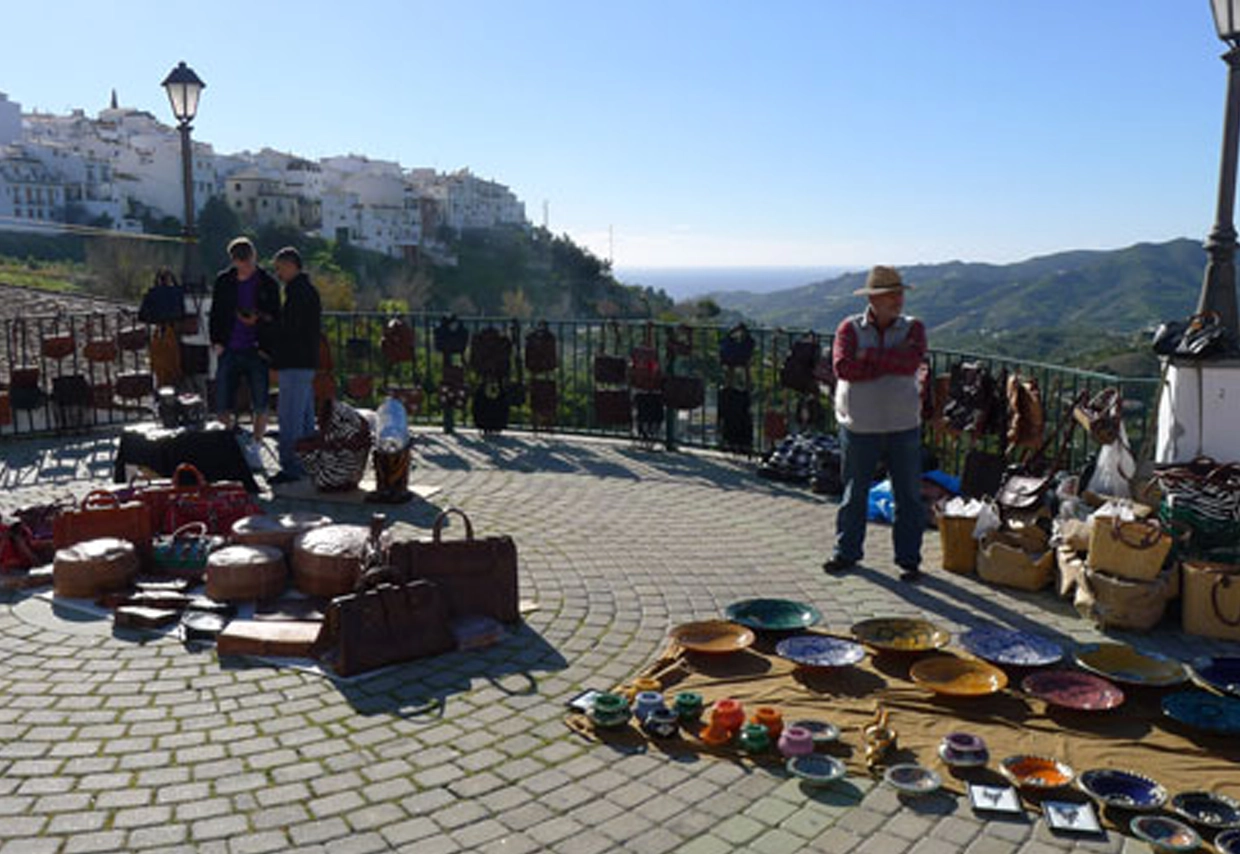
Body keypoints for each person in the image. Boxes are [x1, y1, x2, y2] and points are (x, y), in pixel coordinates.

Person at [823, 265, 928, 582]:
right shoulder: (848, 328)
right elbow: (844, 368)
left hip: (903, 423)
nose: (898, 300)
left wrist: (868, 357)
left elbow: (910, 362)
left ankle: (909, 560)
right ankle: (847, 552)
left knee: (908, 494)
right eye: (890, 295)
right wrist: (888, 361)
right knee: (854, 493)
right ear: (874, 299)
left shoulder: (914, 328)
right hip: (859, 425)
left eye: (899, 294)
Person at [209, 237, 281, 441]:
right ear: (233, 260)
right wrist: (217, 342)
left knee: (261, 401)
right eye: (241, 264)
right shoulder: (223, 281)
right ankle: (230, 440)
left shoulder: (268, 283)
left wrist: (258, 320)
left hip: (257, 349)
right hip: (228, 347)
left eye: (248, 264)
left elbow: (276, 316)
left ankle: (257, 442)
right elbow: (216, 313)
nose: (245, 268)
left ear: (254, 257)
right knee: (222, 400)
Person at [269, 246, 321, 484]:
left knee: (289, 416)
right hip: (307, 361)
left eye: (280, 268)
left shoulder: (296, 294)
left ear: (291, 266)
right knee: (305, 417)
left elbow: (290, 331)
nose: (278, 274)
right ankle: (309, 462)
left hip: (295, 362)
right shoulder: (308, 291)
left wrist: (275, 358)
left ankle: (291, 466)